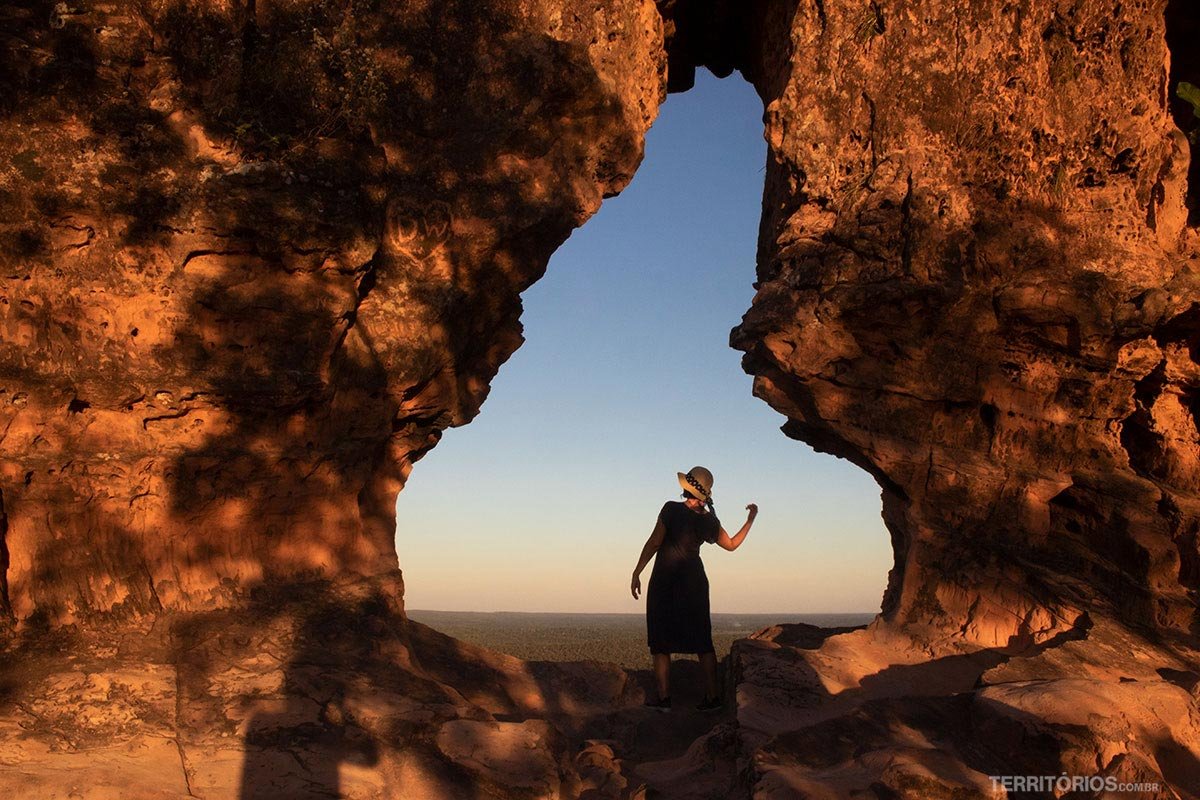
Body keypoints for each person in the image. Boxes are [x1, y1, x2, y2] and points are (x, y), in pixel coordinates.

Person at [630, 466, 757, 712]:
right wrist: (750, 520)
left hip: (665, 580)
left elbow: (655, 542)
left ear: (685, 487)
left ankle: (663, 699)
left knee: (660, 640)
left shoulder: (671, 509)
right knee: (702, 640)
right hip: (694, 583)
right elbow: (731, 545)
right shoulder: (708, 520)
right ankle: (713, 699)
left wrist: (637, 571)